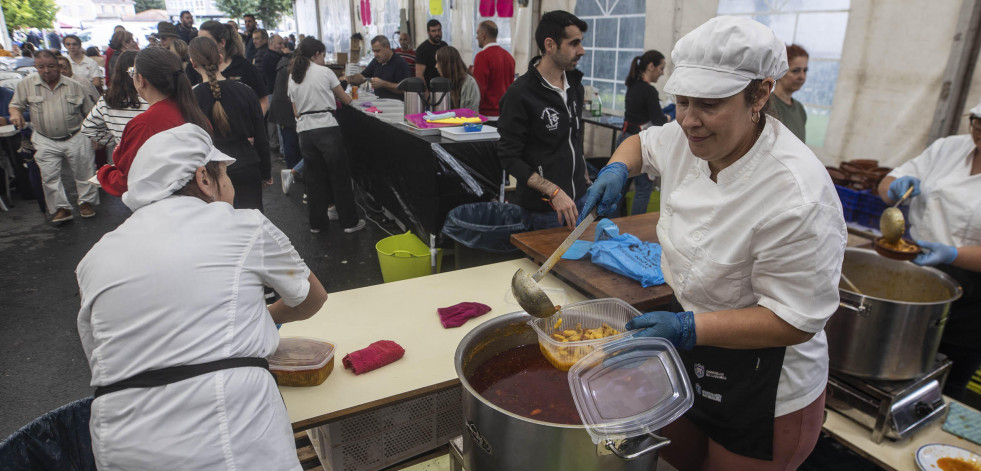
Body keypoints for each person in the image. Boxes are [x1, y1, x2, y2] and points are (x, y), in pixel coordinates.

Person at [580, 16, 846, 470]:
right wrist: (617, 169)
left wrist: (688, 328)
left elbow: (796, 319)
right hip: (692, 348)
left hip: (765, 378)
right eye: (682, 102)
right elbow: (644, 144)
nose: (689, 120)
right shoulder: (688, 137)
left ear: (760, 94)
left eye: (709, 104)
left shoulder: (797, 193)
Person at [76, 123, 328, 471]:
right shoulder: (243, 225)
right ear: (204, 180)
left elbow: (101, 354)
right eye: (225, 174)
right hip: (225, 429)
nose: (230, 184)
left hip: (119, 440)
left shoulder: (94, 258)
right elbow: (311, 297)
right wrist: (264, 317)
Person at [876, 98, 981, 407]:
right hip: (917, 269)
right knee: (897, 361)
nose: (980, 134)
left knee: (949, 381)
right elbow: (887, 183)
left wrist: (951, 254)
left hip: (973, 294)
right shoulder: (949, 148)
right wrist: (894, 188)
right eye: (977, 125)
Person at [497, 10, 588, 231]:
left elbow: (574, 139)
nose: (582, 51)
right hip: (546, 212)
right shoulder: (520, 94)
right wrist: (553, 192)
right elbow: (509, 158)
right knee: (548, 266)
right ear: (550, 45)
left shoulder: (576, 87)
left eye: (581, 43)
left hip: (581, 202)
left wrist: (586, 179)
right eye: (574, 43)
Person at [96, 47, 212, 195]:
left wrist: (103, 172)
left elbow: (128, 182)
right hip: (199, 197)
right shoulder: (192, 110)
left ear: (141, 80)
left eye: (133, 73)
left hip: (166, 205)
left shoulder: (145, 125)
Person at [9, 50, 99, 223]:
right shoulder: (26, 84)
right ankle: (61, 208)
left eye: (50, 66)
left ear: (58, 67)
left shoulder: (75, 85)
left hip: (75, 135)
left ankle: (86, 203)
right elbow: (15, 105)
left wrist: (95, 137)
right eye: (41, 67)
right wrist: (15, 114)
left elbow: (89, 113)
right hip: (44, 138)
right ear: (35, 67)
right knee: (49, 176)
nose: (46, 71)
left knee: (84, 172)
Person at [288, 37, 364, 234]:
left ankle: (317, 224)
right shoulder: (325, 72)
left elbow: (295, 112)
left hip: (304, 131)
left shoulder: (293, 76)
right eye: (322, 55)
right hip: (327, 127)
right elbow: (346, 100)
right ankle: (349, 222)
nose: (324, 58)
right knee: (339, 176)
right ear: (316, 54)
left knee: (314, 179)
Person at [189, 36, 270, 212]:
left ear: (193, 63)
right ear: (220, 58)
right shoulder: (245, 90)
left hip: (213, 170)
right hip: (247, 164)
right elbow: (261, 136)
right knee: (254, 221)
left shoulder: (191, 98)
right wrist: (266, 172)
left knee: (222, 226)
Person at [620, 49, 669, 216]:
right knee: (643, 189)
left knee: (621, 187)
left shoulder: (632, 85)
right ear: (651, 66)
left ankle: (612, 224)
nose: (662, 73)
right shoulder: (649, 91)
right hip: (640, 145)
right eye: (661, 68)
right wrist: (669, 116)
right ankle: (633, 230)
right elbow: (658, 121)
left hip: (625, 139)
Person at [190, 21, 269, 114]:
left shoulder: (243, 66)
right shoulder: (195, 67)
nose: (202, 45)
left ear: (222, 42)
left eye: (207, 41)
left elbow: (263, 100)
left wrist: (254, 123)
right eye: (199, 40)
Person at [82, 51, 149, 159]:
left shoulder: (108, 98)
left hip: (123, 155)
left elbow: (88, 127)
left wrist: (116, 140)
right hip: (149, 153)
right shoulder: (149, 96)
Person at [343, 35, 410, 101]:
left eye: (378, 51)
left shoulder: (400, 63)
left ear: (387, 48)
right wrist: (348, 79)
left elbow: (404, 89)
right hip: (380, 102)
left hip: (397, 106)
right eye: (374, 51)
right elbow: (362, 77)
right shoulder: (376, 61)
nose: (375, 54)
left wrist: (383, 84)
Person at [472, 20, 514, 117]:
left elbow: (479, 89)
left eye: (477, 33)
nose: (476, 37)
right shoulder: (509, 57)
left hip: (487, 115)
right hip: (505, 113)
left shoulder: (482, 57)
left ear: (483, 35)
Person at [767, 44, 808, 142]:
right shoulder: (766, 105)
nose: (802, 76)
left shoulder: (800, 109)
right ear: (780, 71)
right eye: (795, 71)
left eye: (805, 70)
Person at [435, 46, 479, 112]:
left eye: (438, 62)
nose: (436, 66)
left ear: (447, 63)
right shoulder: (443, 83)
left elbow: (472, 115)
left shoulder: (469, 83)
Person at [415, 19, 447, 87]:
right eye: (433, 31)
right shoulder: (422, 49)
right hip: (430, 89)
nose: (437, 33)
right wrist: (426, 92)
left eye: (439, 30)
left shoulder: (444, 46)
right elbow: (419, 74)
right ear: (428, 32)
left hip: (444, 87)